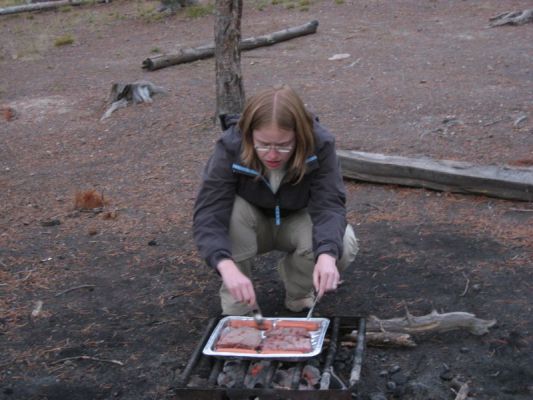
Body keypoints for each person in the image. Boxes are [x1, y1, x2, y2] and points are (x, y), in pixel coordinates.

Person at [193, 84, 358, 316]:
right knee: (229, 211)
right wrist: (225, 265)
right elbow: (209, 212)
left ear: (299, 136)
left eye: (283, 146)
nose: (272, 155)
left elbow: (329, 205)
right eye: (263, 145)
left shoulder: (320, 144)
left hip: (296, 220)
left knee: (343, 244)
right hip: (249, 224)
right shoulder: (230, 145)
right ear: (249, 134)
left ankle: (299, 291)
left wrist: (327, 255)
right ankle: (239, 305)